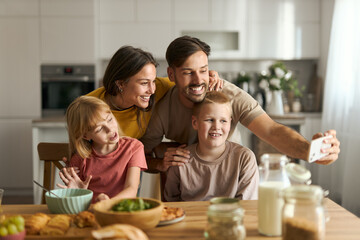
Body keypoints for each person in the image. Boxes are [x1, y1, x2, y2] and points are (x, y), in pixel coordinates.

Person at [140, 36, 341, 173]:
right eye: (187, 72)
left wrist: (310, 150)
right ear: (171, 74)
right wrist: (159, 162)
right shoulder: (162, 108)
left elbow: (271, 131)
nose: (198, 80)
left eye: (203, 70)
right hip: (188, 184)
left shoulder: (228, 94)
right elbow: (141, 155)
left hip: (234, 177)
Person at [87, 45, 223, 139]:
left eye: (153, 81)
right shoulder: (89, 106)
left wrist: (209, 75)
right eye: (144, 83)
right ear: (121, 83)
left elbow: (186, 81)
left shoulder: (158, 87)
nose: (152, 90)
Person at [164, 91, 259, 201]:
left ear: (230, 124)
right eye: (209, 120)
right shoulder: (180, 160)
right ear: (195, 123)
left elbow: (246, 207)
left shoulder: (244, 158)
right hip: (191, 217)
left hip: (231, 217)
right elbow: (170, 206)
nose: (216, 126)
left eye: (223, 121)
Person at [57, 96, 147, 203]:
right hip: (92, 213)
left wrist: (108, 203)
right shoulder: (80, 159)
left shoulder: (133, 147)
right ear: (85, 136)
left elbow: (131, 189)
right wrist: (78, 193)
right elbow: (76, 202)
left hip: (121, 211)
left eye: (109, 119)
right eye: (99, 129)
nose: (110, 129)